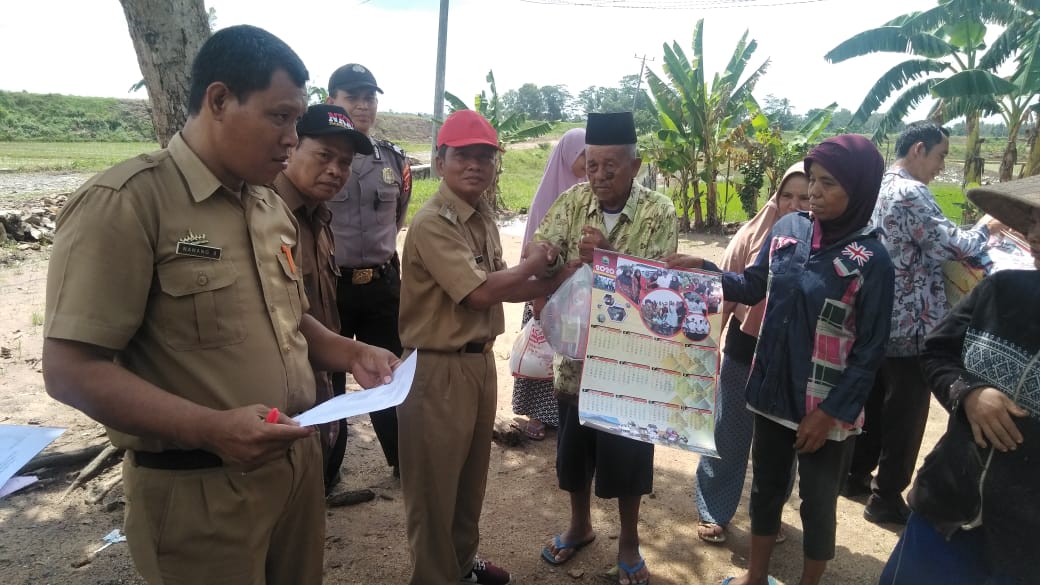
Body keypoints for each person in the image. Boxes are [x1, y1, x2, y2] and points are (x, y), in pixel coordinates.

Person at [40, 26, 399, 585]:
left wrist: (352, 351)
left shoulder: (267, 207)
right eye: (280, 117)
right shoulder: (129, 203)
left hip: (293, 473)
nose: (291, 136)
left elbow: (287, 319)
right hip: (197, 490)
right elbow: (70, 370)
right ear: (219, 100)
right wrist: (210, 428)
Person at [669, 134, 893, 585]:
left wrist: (829, 414)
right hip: (769, 391)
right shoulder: (789, 231)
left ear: (860, 189)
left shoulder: (872, 260)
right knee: (767, 489)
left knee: (817, 501)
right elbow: (753, 286)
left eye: (828, 183)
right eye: (812, 180)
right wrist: (706, 273)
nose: (814, 192)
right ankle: (756, 577)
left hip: (823, 408)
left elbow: (870, 351)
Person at [397, 109, 575, 585]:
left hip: (476, 365)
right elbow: (478, 292)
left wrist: (562, 271)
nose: (475, 165)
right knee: (434, 490)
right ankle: (436, 577)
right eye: (463, 156)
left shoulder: (481, 218)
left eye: (484, 156)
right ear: (440, 161)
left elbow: (502, 288)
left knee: (469, 480)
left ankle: (459, 568)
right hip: (436, 369)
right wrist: (536, 258)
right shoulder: (433, 222)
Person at [537, 112, 678, 585]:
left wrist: (606, 262)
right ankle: (580, 527)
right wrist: (542, 283)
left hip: (629, 361)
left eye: (610, 166)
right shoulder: (572, 202)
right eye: (591, 165)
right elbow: (542, 252)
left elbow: (663, 285)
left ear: (635, 166)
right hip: (576, 359)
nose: (598, 176)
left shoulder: (659, 211)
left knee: (628, 455)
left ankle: (629, 542)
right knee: (574, 453)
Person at [879, 175, 1040, 585]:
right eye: (1033, 220)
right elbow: (937, 351)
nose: (1034, 234)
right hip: (947, 503)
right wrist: (968, 393)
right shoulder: (1002, 290)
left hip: (1025, 542)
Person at [846, 121, 1003, 526]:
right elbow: (953, 245)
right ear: (918, 149)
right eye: (939, 155)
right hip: (913, 324)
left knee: (876, 402)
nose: (940, 165)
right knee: (906, 414)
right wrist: (986, 228)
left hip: (877, 315)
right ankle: (886, 496)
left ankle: (855, 474)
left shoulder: (878, 187)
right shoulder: (912, 192)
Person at [694, 162, 809, 545]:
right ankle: (714, 511)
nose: (794, 205)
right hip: (745, 349)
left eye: (805, 197)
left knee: (780, 444)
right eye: (787, 196)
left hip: (792, 360)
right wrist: (710, 347)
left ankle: (768, 516)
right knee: (728, 433)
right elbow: (727, 292)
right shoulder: (751, 235)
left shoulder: (828, 246)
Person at [271, 103, 373, 492]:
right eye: (324, 156)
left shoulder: (320, 217)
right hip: (283, 387)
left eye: (344, 162)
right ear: (291, 149)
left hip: (320, 375)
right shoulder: (266, 217)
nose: (335, 170)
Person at [326, 63, 411, 477]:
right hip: (331, 288)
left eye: (369, 97)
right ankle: (327, 470)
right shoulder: (317, 161)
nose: (362, 105)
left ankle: (403, 461)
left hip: (381, 285)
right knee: (329, 381)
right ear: (332, 102)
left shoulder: (393, 160)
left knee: (390, 373)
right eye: (351, 97)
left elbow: (397, 217)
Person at [513, 127, 586, 440]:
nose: (587, 162)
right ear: (568, 154)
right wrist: (538, 298)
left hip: (576, 291)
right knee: (543, 352)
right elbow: (534, 246)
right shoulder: (548, 197)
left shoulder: (587, 194)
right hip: (545, 290)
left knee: (569, 351)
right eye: (583, 155)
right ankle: (537, 416)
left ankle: (564, 414)